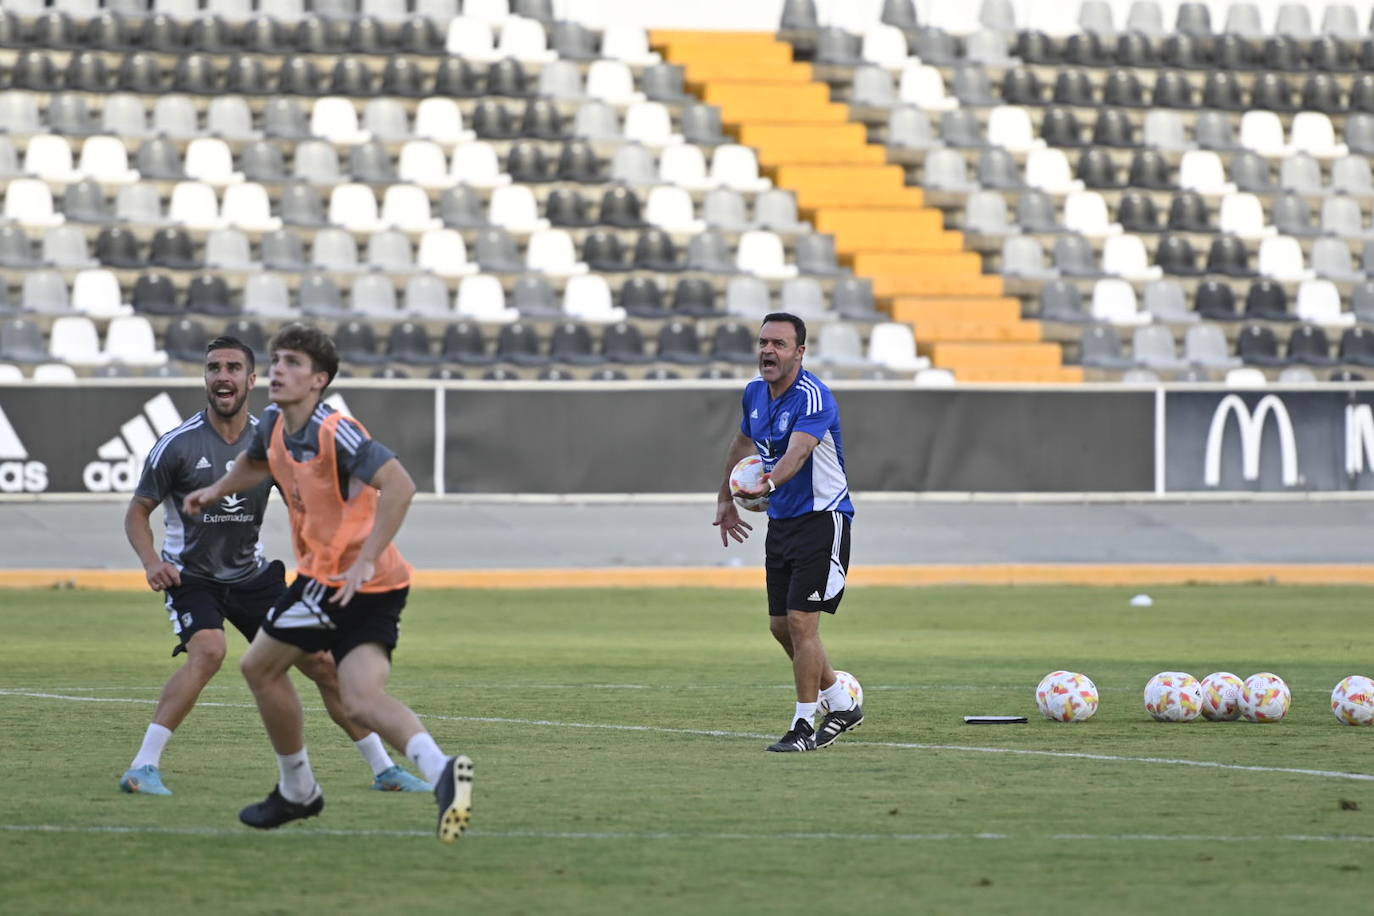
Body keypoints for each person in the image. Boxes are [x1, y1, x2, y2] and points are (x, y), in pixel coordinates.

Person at [183, 323, 473, 843]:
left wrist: (364, 557)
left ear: (318, 379)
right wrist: (217, 489)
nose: (278, 370)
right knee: (360, 698)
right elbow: (255, 465)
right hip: (378, 583)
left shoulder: (334, 428)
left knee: (258, 666)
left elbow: (400, 486)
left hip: (342, 577)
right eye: (276, 360)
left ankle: (298, 790)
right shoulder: (273, 422)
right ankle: (443, 771)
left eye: (292, 362)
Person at [120, 335, 431, 797]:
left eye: (232, 368)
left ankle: (384, 769)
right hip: (192, 576)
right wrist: (150, 563)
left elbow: (308, 500)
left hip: (252, 576)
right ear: (206, 378)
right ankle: (142, 767)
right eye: (213, 368)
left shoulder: (274, 436)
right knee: (209, 653)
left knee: (323, 666)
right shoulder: (177, 446)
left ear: (251, 379)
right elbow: (137, 512)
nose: (222, 376)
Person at [713, 312, 864, 753]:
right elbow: (743, 445)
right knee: (781, 626)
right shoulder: (755, 394)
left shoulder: (815, 397)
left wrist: (769, 483)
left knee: (802, 623)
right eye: (763, 342)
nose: (767, 351)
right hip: (781, 523)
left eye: (779, 344)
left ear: (799, 352)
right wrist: (725, 497)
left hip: (823, 520)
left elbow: (798, 452)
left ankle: (803, 725)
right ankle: (840, 701)